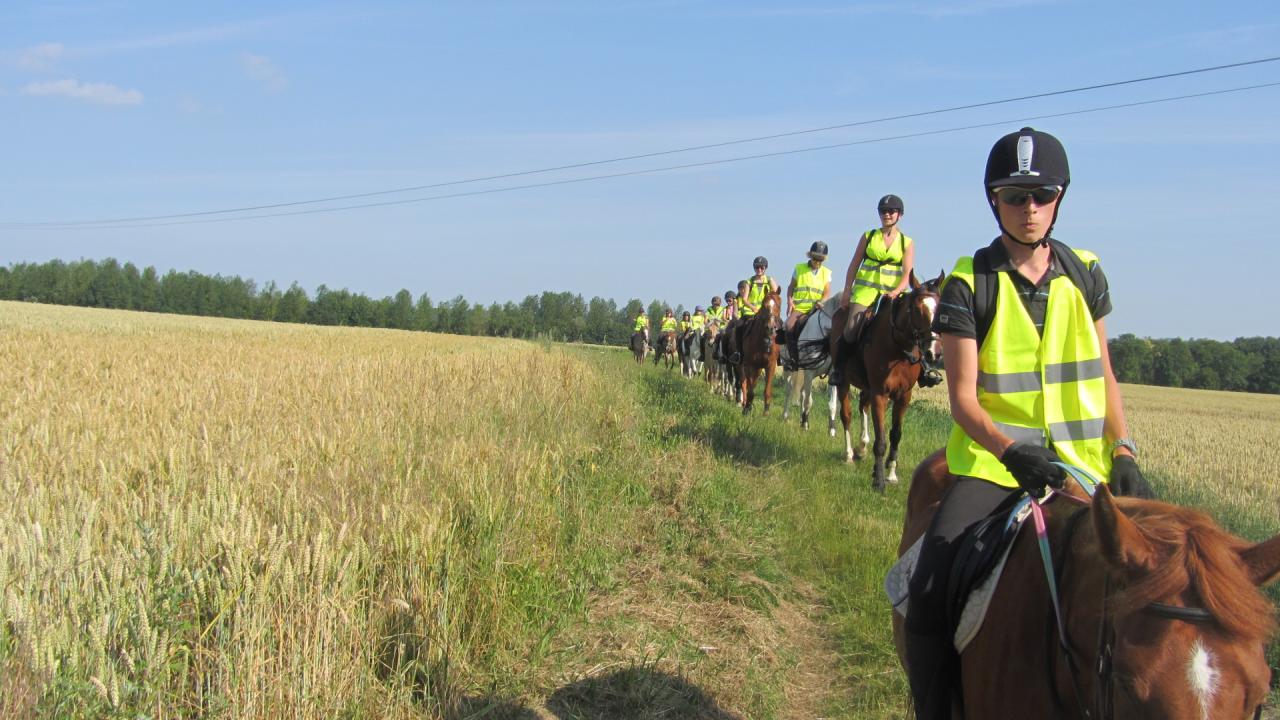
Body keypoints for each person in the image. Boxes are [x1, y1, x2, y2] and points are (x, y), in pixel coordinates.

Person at [902, 127, 1152, 720]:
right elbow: (963, 399)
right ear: (995, 201)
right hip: (995, 467)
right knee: (930, 584)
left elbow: (1104, 375)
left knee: (1153, 589)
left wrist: (1124, 449)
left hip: (1080, 470)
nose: (1030, 208)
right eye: (1015, 196)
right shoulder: (971, 281)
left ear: (1059, 198)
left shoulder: (1086, 273)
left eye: (1042, 194)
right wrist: (1011, 452)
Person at [830, 194, 914, 385]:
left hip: (892, 295)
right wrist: (847, 291)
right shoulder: (868, 236)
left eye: (891, 211)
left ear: (899, 215)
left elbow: (907, 273)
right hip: (865, 293)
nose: (887, 214)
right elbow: (853, 265)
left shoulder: (906, 242)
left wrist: (896, 291)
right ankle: (839, 369)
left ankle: (925, 369)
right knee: (850, 329)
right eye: (883, 211)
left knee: (914, 325)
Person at [783, 241, 832, 370]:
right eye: (815, 257)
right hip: (800, 308)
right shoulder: (799, 268)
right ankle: (793, 359)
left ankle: (832, 361)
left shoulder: (826, 272)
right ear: (810, 256)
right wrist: (790, 301)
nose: (817, 261)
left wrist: (822, 301)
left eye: (820, 259)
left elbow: (827, 291)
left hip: (817, 308)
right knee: (788, 326)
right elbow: (790, 287)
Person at [728, 257, 780, 364]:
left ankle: (781, 355)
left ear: (765, 268)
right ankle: (738, 353)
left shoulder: (770, 280)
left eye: (761, 267)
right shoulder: (749, 281)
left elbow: (775, 295)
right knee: (739, 327)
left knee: (781, 326)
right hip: (751, 312)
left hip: (766, 311)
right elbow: (744, 299)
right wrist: (753, 308)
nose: (759, 269)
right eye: (757, 267)